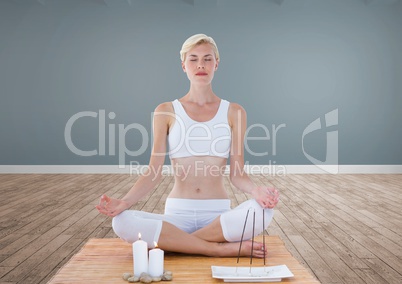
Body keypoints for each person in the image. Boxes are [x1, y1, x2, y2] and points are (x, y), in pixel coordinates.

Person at [96, 34, 279, 257]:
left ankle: (178, 244)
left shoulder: (234, 112)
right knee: (121, 221)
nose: (200, 64)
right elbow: (154, 172)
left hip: (218, 216)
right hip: (176, 215)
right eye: (193, 59)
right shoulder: (165, 110)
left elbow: (237, 173)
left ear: (216, 64)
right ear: (183, 65)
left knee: (263, 212)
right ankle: (218, 250)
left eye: (207, 58)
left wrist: (255, 190)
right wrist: (124, 202)